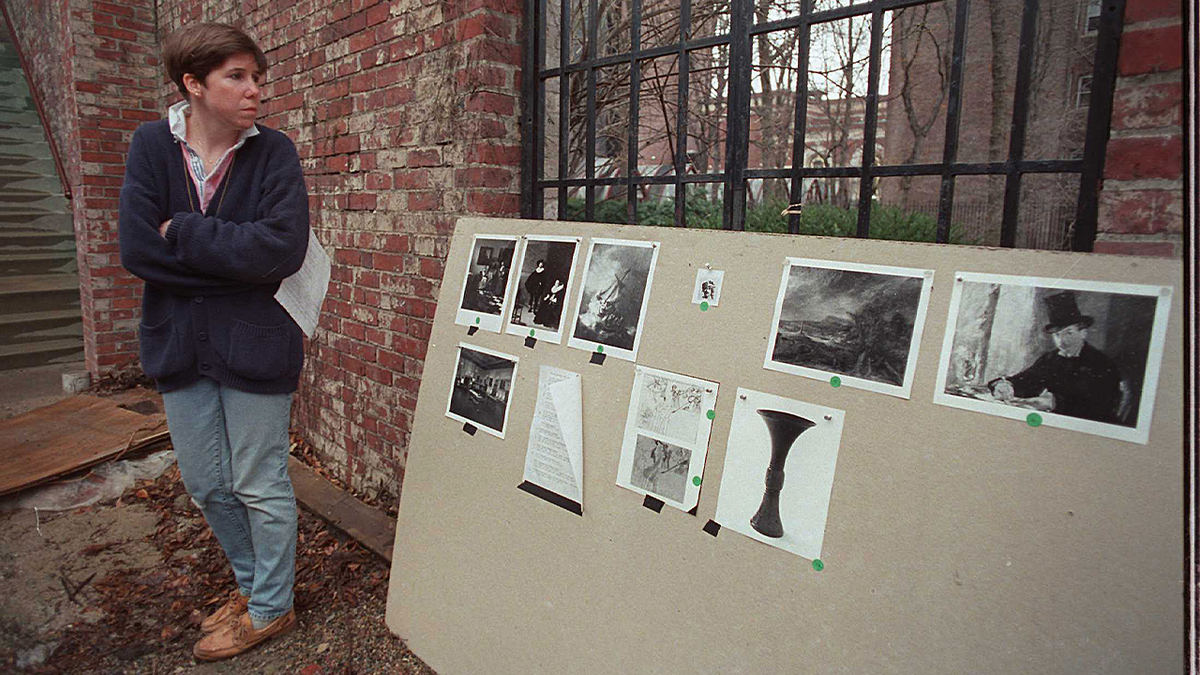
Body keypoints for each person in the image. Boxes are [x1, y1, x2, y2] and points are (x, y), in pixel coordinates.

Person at [118, 23, 309, 661]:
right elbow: (138, 249)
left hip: (256, 343)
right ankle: (258, 588)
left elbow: (281, 249)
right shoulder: (151, 146)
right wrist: (233, 263)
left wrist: (187, 232)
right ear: (192, 85)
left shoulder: (273, 152)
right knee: (206, 482)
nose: (254, 89)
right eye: (237, 76)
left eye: (257, 77)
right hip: (178, 341)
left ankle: (271, 609)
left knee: (260, 481)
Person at [988, 290, 1123, 423]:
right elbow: (1029, 380)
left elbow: (1101, 407)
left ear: (1083, 333)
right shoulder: (1050, 358)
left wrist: (1055, 403)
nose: (1062, 341)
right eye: (1057, 335)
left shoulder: (1101, 363)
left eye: (1069, 333)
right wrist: (1007, 385)